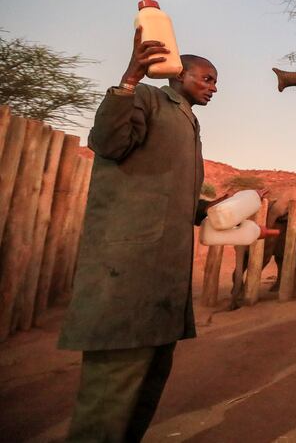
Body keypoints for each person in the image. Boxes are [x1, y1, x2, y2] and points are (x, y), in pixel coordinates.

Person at [58, 27, 221, 442]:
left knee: (146, 386)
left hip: (160, 279)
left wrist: (210, 210)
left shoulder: (187, 120)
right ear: (178, 75)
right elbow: (109, 142)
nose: (213, 87)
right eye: (206, 78)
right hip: (126, 274)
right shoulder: (148, 98)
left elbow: (164, 194)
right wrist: (130, 78)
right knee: (111, 394)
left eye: (215, 81)